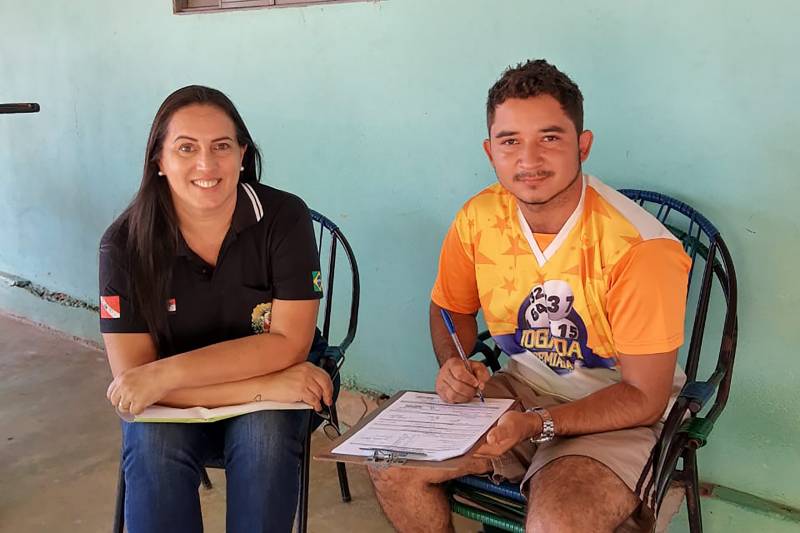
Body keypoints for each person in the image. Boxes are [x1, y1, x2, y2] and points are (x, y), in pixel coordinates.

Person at [369, 59, 691, 532]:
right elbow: (449, 307)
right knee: (391, 464)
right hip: (518, 391)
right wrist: (453, 363)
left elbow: (643, 396)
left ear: (583, 145)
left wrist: (539, 424)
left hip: (616, 412)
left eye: (550, 137)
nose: (529, 159)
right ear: (490, 150)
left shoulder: (638, 248)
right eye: (510, 141)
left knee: (558, 521)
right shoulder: (479, 219)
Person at [99, 85, 333, 533]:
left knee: (264, 438)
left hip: (219, 385)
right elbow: (133, 382)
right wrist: (267, 387)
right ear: (159, 161)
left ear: (242, 154)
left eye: (221, 147)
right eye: (186, 148)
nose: (206, 165)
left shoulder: (283, 217)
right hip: (245, 387)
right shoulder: (123, 245)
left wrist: (163, 376)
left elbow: (287, 343)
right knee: (152, 442)